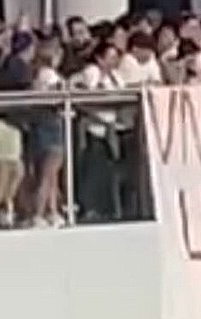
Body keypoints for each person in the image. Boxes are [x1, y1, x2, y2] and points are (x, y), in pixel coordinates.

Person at [0, 31, 35, 228]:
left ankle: (5, 206)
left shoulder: (5, 62)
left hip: (4, 122)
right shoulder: (19, 66)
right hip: (6, 123)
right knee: (6, 170)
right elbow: (24, 91)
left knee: (16, 170)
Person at [75, 42, 125, 222]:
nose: (114, 61)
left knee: (109, 170)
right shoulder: (91, 72)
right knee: (92, 169)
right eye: (110, 57)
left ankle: (107, 208)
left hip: (111, 126)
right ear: (99, 58)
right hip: (93, 127)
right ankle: (89, 207)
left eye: (116, 57)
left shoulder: (117, 77)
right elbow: (85, 96)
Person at [31, 39, 66, 228]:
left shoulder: (38, 74)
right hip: (51, 125)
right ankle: (38, 213)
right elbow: (57, 93)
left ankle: (52, 211)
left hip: (44, 125)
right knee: (48, 173)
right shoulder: (49, 74)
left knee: (52, 175)